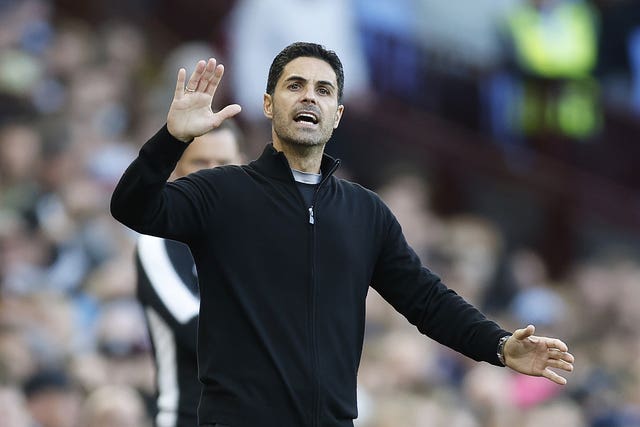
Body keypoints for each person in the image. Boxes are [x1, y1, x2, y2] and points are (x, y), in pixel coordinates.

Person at [111, 42, 574, 427]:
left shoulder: (365, 211)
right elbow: (132, 207)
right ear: (270, 104)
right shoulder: (222, 190)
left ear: (337, 114)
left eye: (323, 89)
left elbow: (427, 301)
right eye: (295, 86)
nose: (309, 96)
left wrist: (497, 344)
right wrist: (171, 139)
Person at [134, 122, 244, 427]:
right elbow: (198, 331)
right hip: (188, 417)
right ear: (177, 170)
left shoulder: (260, 237)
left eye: (223, 163)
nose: (213, 173)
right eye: (200, 162)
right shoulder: (157, 242)